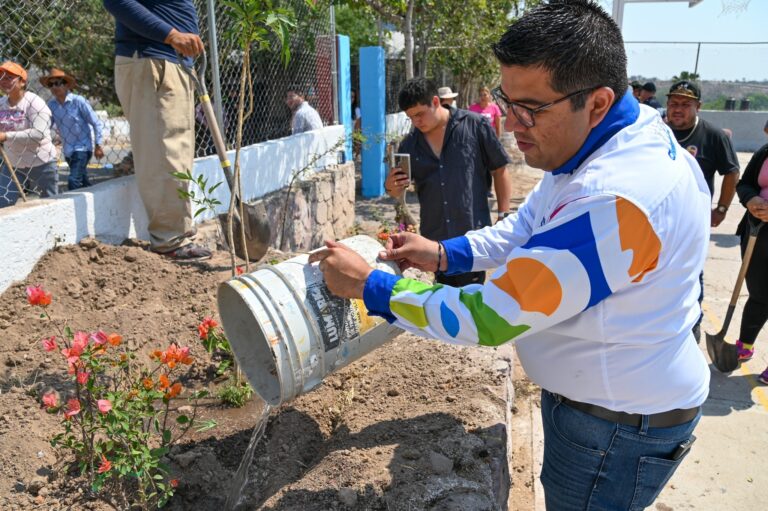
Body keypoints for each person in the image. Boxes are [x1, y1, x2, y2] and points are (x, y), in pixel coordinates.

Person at [310, 2, 709, 510]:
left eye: (531, 109)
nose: (512, 122)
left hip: (613, 431)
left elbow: (490, 317)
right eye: (508, 100)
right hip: (606, 408)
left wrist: (372, 286)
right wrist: (441, 253)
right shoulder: (610, 140)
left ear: (598, 101)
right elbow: (526, 227)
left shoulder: (615, 201)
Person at [103, 0, 211, 261]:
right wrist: (171, 35)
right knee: (162, 154)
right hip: (151, 58)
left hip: (172, 61)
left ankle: (179, 233)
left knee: (178, 154)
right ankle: (169, 241)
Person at [385, 78, 511, 287]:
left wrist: (503, 214)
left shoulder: (474, 125)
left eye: (419, 114)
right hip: (435, 238)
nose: (416, 122)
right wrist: (391, 186)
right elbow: (396, 192)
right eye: (410, 117)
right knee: (445, 301)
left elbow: (500, 169)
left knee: (472, 299)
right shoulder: (411, 144)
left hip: (471, 234)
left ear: (435, 101)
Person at [666, 80, 740, 341]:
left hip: (692, 223)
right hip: (657, 219)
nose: (678, 109)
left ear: (698, 106)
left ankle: (691, 327)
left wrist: (721, 208)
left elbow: (731, 172)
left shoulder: (713, 135)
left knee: (690, 274)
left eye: (686, 104)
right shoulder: (655, 131)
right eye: (674, 103)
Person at [0, 61, 58, 208]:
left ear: (22, 82)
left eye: (9, 77)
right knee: (3, 201)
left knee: (50, 202)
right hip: (13, 163)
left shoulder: (34, 103)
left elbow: (39, 133)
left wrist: (6, 136)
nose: (3, 81)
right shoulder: (1, 104)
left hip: (40, 162)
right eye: (1, 77)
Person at [733, 142, 768, 382]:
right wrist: (751, 199)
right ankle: (745, 343)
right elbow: (744, 183)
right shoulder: (765, 151)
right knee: (758, 293)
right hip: (756, 232)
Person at [42, 68, 104, 191]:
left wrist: (98, 145)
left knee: (73, 180)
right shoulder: (51, 106)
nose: (54, 87)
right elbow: (46, 126)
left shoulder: (78, 101)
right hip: (68, 150)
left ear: (66, 85)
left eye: (57, 83)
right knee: (83, 181)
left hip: (82, 148)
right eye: (51, 84)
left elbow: (96, 123)